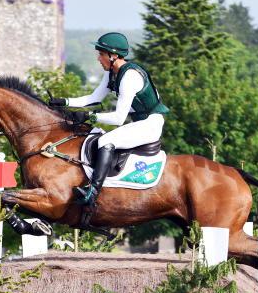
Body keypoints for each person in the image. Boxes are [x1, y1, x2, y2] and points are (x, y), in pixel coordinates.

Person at [49, 32, 169, 207]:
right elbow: (94, 98)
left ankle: (92, 192)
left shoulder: (129, 77)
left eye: (101, 54)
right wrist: (64, 102)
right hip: (140, 123)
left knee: (105, 140)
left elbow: (119, 118)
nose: (98, 59)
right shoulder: (112, 72)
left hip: (150, 125)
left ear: (113, 56)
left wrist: (90, 116)